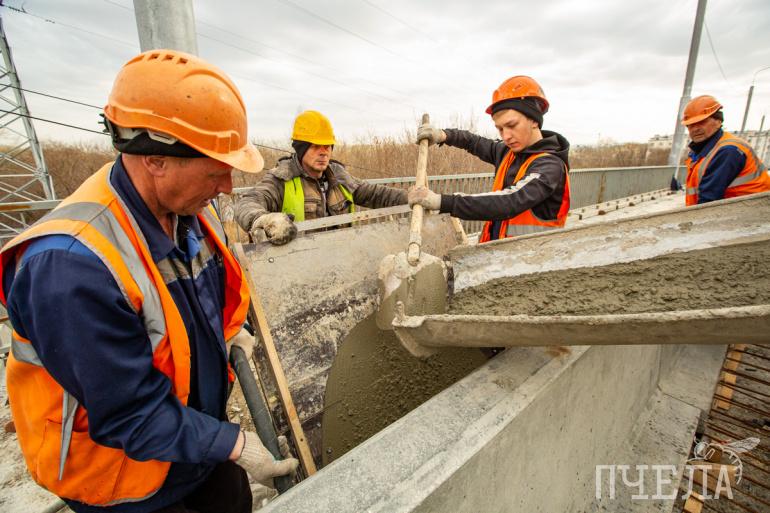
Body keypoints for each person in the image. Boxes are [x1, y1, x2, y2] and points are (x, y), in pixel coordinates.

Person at [0, 50, 297, 513]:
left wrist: (229, 331)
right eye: (216, 170)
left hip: (193, 439)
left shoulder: (189, 211)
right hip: (121, 477)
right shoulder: (70, 267)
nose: (227, 186)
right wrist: (233, 444)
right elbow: (128, 413)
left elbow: (194, 303)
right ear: (156, 159)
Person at [408, 75, 570, 243]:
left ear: (534, 120)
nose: (506, 136)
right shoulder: (508, 152)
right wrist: (443, 135)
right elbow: (474, 142)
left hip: (535, 255)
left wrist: (441, 201)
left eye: (512, 125)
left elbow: (510, 201)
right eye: (500, 129)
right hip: (499, 252)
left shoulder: (550, 166)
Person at [234, 110, 408, 244]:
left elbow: (375, 194)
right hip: (298, 266)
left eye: (327, 146)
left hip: (342, 258)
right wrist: (263, 219)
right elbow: (247, 203)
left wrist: (411, 197)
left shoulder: (338, 176)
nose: (324, 152)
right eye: (316, 146)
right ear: (301, 149)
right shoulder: (281, 179)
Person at [682, 95, 770, 205]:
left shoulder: (728, 151)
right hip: (740, 210)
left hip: (749, 211)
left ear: (718, 121)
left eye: (702, 122)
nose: (695, 129)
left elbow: (708, 200)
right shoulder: (704, 151)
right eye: (690, 125)